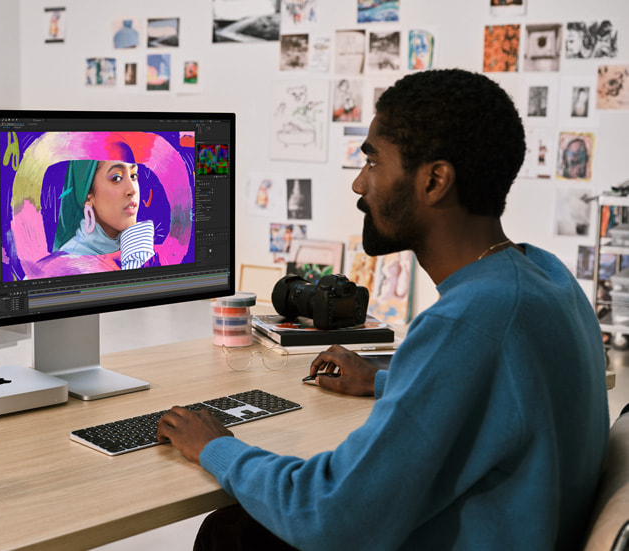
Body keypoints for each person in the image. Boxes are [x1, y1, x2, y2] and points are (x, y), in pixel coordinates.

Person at [157, 68, 609, 550]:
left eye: (372, 163)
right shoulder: (546, 275)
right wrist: (382, 380)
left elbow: (330, 514)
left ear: (435, 181)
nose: (358, 184)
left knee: (231, 536)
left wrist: (216, 447)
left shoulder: (469, 321)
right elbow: (508, 394)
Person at [53, 141, 154, 270]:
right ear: (88, 194)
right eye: (116, 178)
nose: (132, 190)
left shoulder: (140, 250)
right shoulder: (63, 268)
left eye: (134, 176)